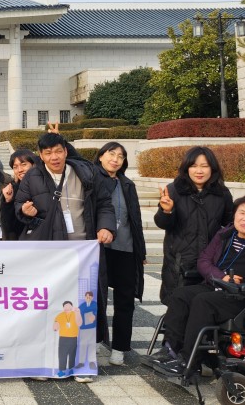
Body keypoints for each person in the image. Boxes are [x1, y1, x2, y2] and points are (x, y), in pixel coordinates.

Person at [153, 195, 245, 377]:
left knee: (203, 301)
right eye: (242, 213)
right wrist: (221, 277)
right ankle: (170, 351)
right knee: (181, 295)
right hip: (220, 287)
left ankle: (188, 361)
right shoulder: (225, 234)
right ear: (234, 215)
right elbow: (204, 260)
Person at [15, 131, 116, 383]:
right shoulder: (33, 177)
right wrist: (25, 211)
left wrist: (106, 226)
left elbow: (105, 203)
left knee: (84, 306)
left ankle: (82, 364)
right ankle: (44, 362)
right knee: (48, 307)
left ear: (66, 151)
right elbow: (19, 207)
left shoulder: (86, 173)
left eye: (58, 151)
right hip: (51, 255)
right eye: (48, 153)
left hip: (84, 251)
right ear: (40, 155)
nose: (54, 157)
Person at [155, 146, 233, 305]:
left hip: (211, 263)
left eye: (204, 166)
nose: (199, 171)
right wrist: (166, 210)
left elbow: (230, 224)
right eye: (194, 166)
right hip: (180, 263)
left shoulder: (222, 193)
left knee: (205, 307)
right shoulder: (173, 190)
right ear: (186, 168)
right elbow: (163, 223)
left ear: (212, 168)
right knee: (178, 307)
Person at [93, 142, 146, 367]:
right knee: (97, 297)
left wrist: (141, 251)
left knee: (125, 300)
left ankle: (120, 347)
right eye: (111, 154)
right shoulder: (92, 179)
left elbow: (136, 219)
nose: (115, 159)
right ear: (101, 156)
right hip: (100, 249)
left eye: (121, 156)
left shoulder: (127, 184)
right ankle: (95, 340)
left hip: (126, 248)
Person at [54, 301, 82, 376]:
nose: (67, 307)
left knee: (72, 354)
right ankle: (61, 370)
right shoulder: (60, 315)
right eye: (65, 306)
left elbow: (79, 323)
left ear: (72, 306)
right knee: (62, 354)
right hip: (63, 338)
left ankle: (71, 369)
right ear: (63, 307)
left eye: (69, 306)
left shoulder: (75, 314)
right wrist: (55, 327)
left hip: (73, 337)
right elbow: (56, 323)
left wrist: (78, 313)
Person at [76, 292, 98, 371]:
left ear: (92, 297)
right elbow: (79, 312)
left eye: (89, 297)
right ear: (85, 297)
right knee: (83, 344)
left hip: (92, 327)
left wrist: (93, 315)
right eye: (86, 297)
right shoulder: (82, 305)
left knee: (92, 343)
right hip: (83, 328)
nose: (88, 298)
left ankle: (91, 361)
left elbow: (95, 312)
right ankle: (81, 362)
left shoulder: (94, 304)